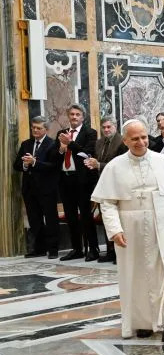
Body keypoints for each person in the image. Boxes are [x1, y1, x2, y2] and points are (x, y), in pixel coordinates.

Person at [91, 119, 164, 343]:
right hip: (131, 229)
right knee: (136, 276)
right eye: (135, 138)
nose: (141, 142)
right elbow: (107, 203)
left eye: (144, 137)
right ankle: (143, 322)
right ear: (125, 140)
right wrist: (114, 229)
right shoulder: (114, 166)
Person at [57, 104, 100, 261]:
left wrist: (70, 143)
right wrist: (61, 149)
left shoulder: (90, 133)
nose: (74, 117)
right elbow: (55, 156)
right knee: (70, 215)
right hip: (65, 178)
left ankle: (93, 248)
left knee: (86, 215)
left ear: (83, 117)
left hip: (82, 180)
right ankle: (76, 248)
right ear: (68, 116)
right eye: (72, 114)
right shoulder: (61, 133)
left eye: (77, 114)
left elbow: (86, 153)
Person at [15, 116, 62, 258]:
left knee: (51, 219)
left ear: (46, 130)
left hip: (47, 189)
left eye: (38, 128)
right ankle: (39, 248)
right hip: (29, 189)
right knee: (34, 219)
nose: (35, 130)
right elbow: (16, 165)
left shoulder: (53, 144)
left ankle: (53, 249)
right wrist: (25, 164)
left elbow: (53, 166)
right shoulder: (26, 144)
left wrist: (35, 162)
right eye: (33, 127)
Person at [86, 116, 127, 263]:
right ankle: (110, 250)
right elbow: (99, 161)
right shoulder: (99, 142)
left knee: (119, 220)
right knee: (106, 219)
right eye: (103, 127)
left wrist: (99, 165)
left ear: (115, 127)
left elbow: (121, 165)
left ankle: (119, 252)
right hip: (103, 185)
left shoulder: (122, 142)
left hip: (118, 186)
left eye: (109, 127)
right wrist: (93, 165)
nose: (106, 130)